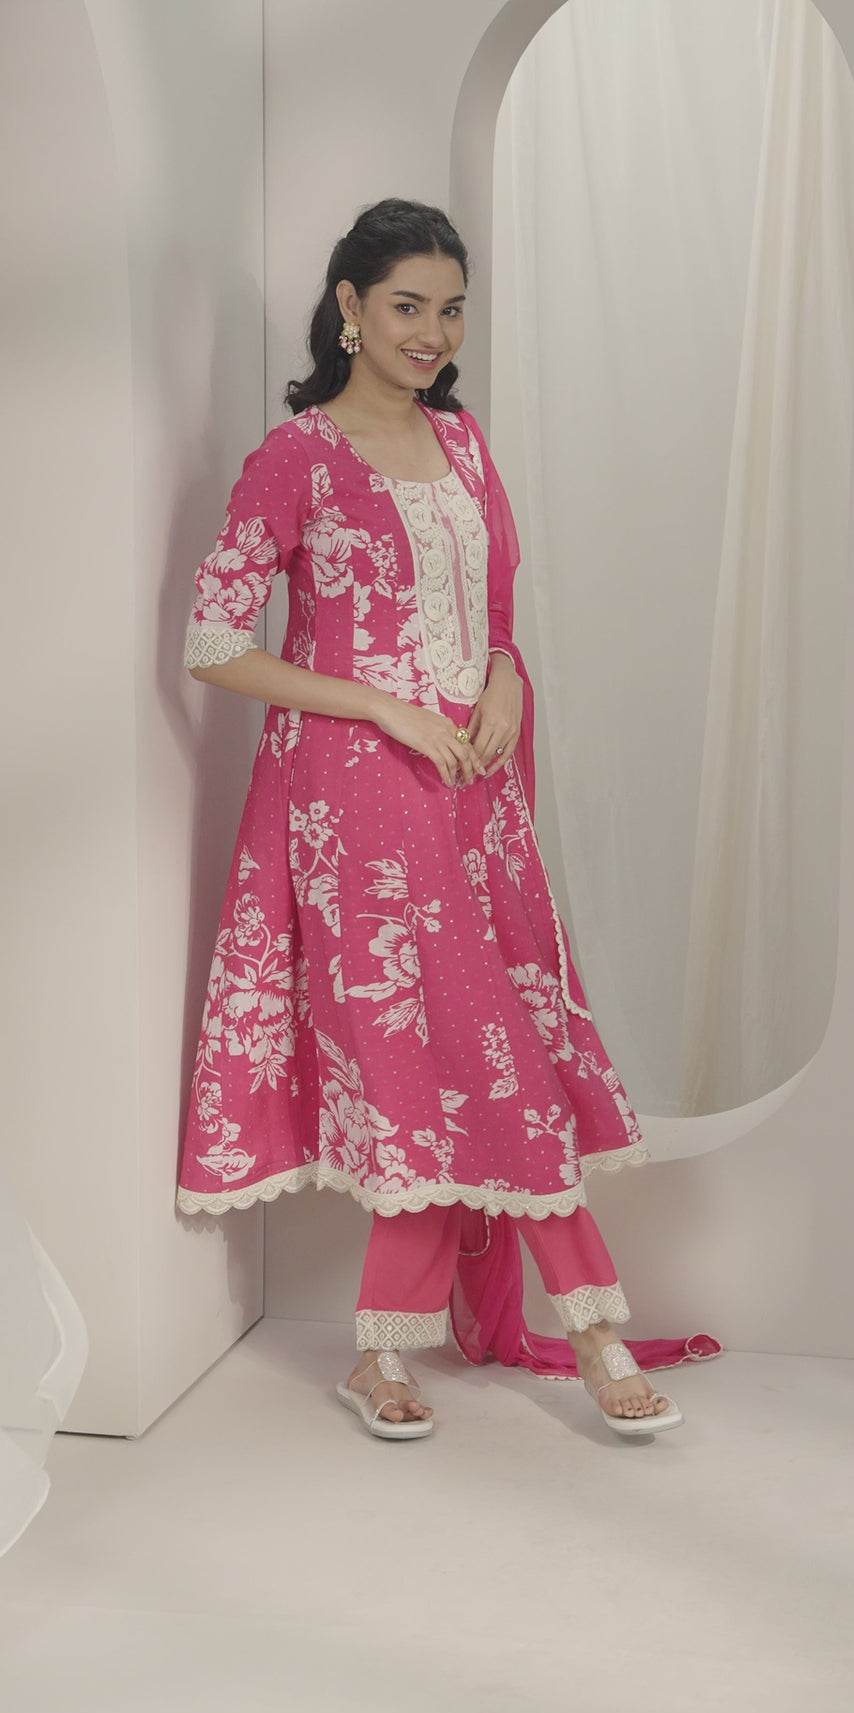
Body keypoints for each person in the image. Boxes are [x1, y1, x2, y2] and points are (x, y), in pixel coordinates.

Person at [177, 197, 718, 1440]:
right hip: (356, 800)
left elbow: (494, 617)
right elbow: (212, 644)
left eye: (451, 309)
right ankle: (590, 1329)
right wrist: (381, 705)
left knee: (472, 1052)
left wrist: (506, 679)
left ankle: (383, 1354)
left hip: (477, 790)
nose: (431, 332)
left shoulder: (464, 445)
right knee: (475, 1054)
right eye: (406, 306)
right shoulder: (297, 457)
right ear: (349, 307)